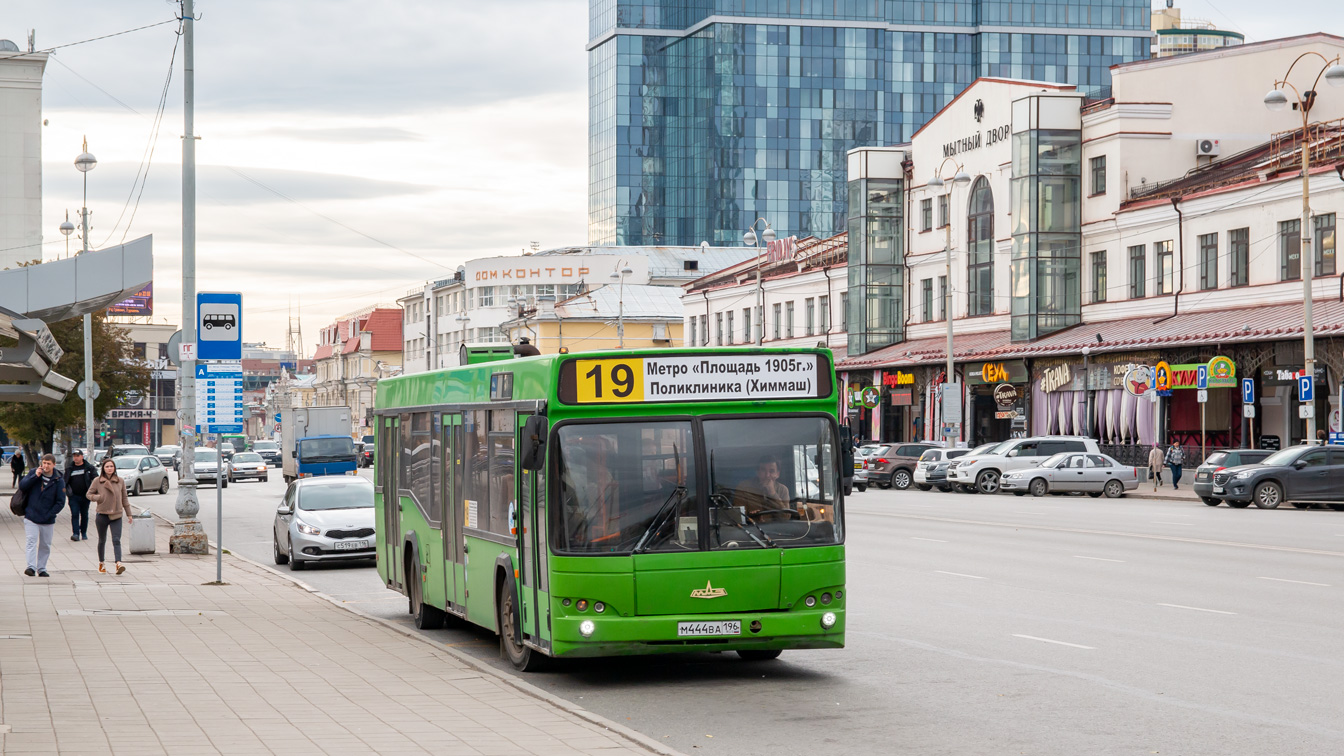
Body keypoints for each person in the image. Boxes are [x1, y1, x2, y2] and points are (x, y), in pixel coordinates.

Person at [18, 454, 66, 577]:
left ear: (54, 465)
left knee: (45, 544)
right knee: (31, 541)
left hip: (48, 519)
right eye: (44, 463)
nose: (46, 466)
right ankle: (31, 567)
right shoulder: (35, 473)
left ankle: (42, 568)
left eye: (48, 463)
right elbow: (22, 486)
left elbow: (60, 501)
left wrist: (50, 513)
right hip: (31, 516)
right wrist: (35, 476)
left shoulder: (58, 480)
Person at [87, 457, 134, 575]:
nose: (109, 468)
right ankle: (101, 563)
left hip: (116, 514)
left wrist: (129, 514)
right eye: (107, 466)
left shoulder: (120, 481)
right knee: (102, 540)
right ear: (103, 468)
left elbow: (124, 498)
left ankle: (119, 563)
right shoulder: (98, 481)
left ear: (114, 468)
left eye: (111, 466)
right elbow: (89, 494)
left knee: (116, 539)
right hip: (102, 514)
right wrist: (98, 497)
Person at [734, 455, 792, 522]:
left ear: (777, 474)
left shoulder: (783, 490)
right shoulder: (744, 487)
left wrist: (773, 494)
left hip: (777, 530)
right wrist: (751, 517)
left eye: (771, 471)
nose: (767, 475)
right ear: (757, 472)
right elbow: (739, 516)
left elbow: (786, 517)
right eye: (763, 470)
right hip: (752, 529)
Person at [65, 449, 96, 542]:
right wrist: (66, 491)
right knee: (74, 514)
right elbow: (64, 481)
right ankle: (75, 533)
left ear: (82, 456)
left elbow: (96, 479)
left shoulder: (89, 468)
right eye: (74, 456)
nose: (75, 458)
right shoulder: (69, 468)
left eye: (77, 456)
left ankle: (84, 532)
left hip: (86, 496)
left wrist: (93, 491)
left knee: (84, 514)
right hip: (73, 496)